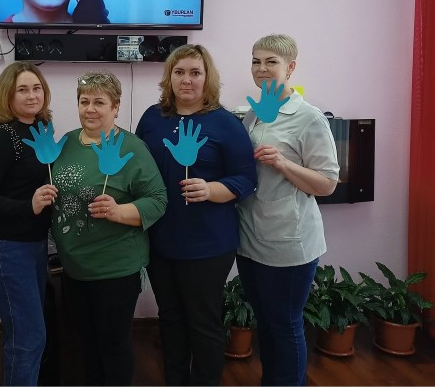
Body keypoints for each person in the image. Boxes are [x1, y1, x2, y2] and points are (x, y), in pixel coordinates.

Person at [135, 44, 257, 386]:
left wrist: (211, 189)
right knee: (170, 318)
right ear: (169, 78)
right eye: (179, 72)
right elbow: (137, 168)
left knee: (203, 323)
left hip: (208, 244)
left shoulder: (225, 124)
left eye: (195, 73)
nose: (186, 80)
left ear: (207, 78)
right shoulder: (152, 118)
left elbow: (247, 178)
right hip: (160, 239)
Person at [51, 71, 167, 386]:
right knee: (85, 344)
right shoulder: (66, 143)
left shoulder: (132, 148)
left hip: (115, 269)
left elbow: (158, 200)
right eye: (84, 101)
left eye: (99, 102)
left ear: (115, 107)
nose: (90, 109)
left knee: (113, 347)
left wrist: (119, 211)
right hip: (74, 267)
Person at [236, 34, 339, 386]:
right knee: (265, 322)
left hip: (288, 243)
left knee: (284, 323)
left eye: (271, 62)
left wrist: (283, 163)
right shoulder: (253, 114)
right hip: (250, 237)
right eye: (256, 61)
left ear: (290, 67)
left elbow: (327, 183)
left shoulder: (308, 118)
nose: (261, 69)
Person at [0, 62, 58, 386]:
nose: (32, 95)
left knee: (30, 333)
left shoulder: (42, 129)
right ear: (8, 95)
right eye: (23, 89)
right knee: (28, 336)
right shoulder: (3, 138)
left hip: (34, 244)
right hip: (6, 247)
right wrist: (28, 206)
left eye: (36, 88)